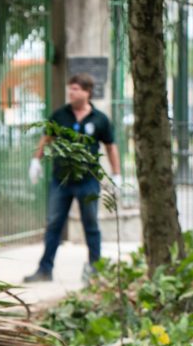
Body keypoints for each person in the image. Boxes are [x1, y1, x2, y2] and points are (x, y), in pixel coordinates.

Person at [25, 72, 121, 283]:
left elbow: (111, 147)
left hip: (88, 181)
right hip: (61, 180)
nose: (71, 92)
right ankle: (44, 270)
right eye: (70, 88)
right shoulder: (59, 115)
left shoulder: (100, 119)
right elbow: (46, 138)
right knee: (53, 224)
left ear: (87, 92)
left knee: (91, 225)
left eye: (76, 89)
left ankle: (96, 269)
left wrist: (116, 174)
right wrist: (36, 161)